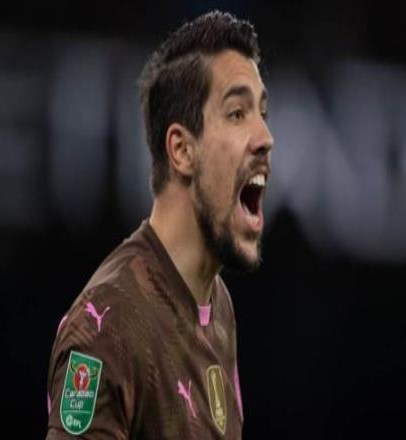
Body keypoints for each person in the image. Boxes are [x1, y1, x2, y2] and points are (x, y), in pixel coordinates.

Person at [46, 10, 273, 439]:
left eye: (262, 112)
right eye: (237, 113)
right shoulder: (107, 327)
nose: (265, 137)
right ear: (182, 151)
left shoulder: (218, 306)